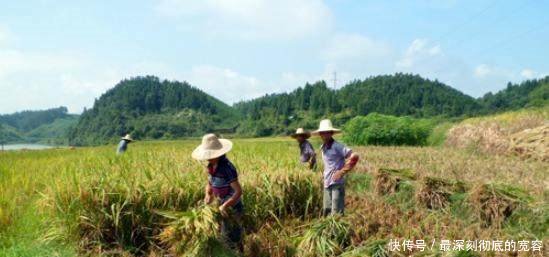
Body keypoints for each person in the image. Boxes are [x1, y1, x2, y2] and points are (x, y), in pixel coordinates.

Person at [192, 133, 244, 252]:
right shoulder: (211, 166)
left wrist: (225, 206)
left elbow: (238, 191)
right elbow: (210, 183)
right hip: (220, 205)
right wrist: (208, 194)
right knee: (224, 234)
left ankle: (238, 254)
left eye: (211, 155)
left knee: (231, 237)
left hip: (232, 207)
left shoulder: (227, 168)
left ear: (219, 153)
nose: (208, 157)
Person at [312, 119, 359, 216]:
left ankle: (337, 231)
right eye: (322, 133)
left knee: (336, 212)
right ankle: (328, 230)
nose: (324, 135)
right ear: (320, 134)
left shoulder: (338, 146)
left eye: (327, 133)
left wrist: (341, 172)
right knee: (327, 210)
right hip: (327, 183)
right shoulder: (323, 147)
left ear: (331, 133)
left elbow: (354, 157)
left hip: (337, 184)